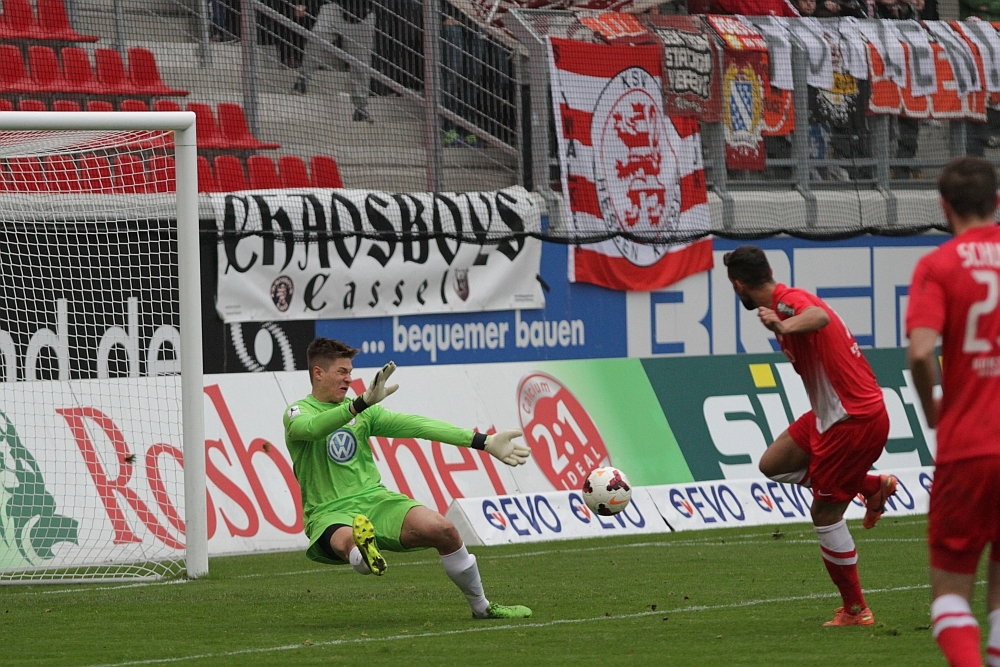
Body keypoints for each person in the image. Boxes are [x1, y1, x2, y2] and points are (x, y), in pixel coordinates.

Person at [282, 337, 533, 619]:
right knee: (350, 540)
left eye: (350, 372)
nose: (349, 379)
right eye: (342, 372)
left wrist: (483, 441)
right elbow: (312, 429)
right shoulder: (297, 412)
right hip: (329, 511)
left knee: (444, 529)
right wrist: (359, 405)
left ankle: (482, 608)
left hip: (376, 501)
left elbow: (418, 426)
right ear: (318, 373)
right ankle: (363, 554)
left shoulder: (364, 412)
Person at [723, 246, 897, 627]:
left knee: (825, 514)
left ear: (738, 286)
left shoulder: (787, 304)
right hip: (831, 415)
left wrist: (784, 326)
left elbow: (818, 317)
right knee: (773, 464)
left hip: (851, 419)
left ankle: (856, 610)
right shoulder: (786, 300)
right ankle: (871, 486)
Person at [905, 157, 1000, 667]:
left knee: (950, 597)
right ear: (997, 202)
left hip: (968, 446)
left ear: (944, 207)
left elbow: (921, 352)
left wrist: (931, 408)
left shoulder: (938, 265)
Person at [292, 0, 376, 123]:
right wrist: (305, 4)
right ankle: (302, 80)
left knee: (361, 62)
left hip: (364, 15)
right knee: (316, 39)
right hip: (335, 9)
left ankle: (360, 108)